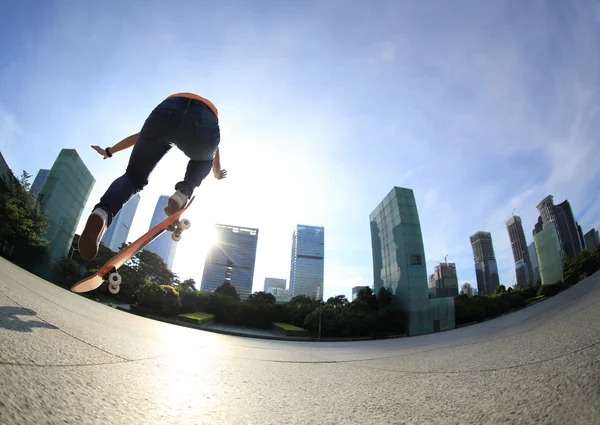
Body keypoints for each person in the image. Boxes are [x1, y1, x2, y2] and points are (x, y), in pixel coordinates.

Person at [78, 92, 227, 261]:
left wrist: (109, 151)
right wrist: (217, 174)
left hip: (167, 109)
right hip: (206, 120)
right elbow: (214, 155)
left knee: (134, 176)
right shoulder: (208, 113)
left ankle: (102, 213)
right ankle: (183, 193)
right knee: (203, 160)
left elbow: (138, 137)